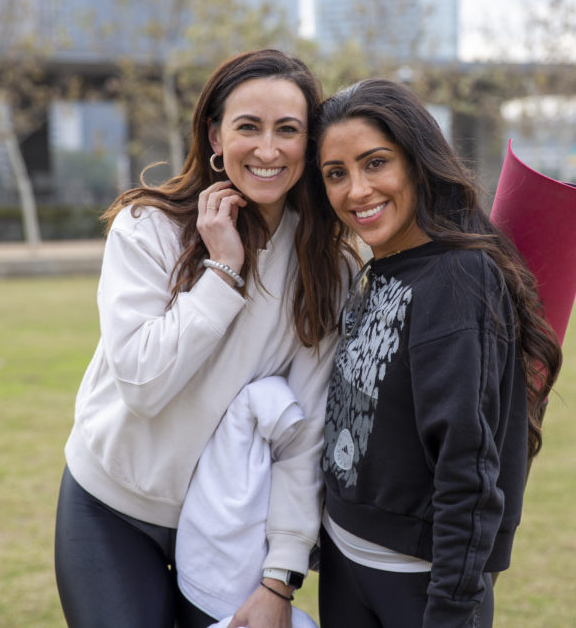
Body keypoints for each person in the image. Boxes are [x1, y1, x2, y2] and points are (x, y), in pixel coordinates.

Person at [54, 49, 354, 628]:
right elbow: (142, 383)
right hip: (112, 507)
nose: (268, 150)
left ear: (308, 145)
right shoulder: (147, 228)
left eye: (287, 130)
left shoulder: (327, 270)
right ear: (215, 136)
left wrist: (280, 579)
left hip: (229, 526)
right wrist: (222, 272)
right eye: (248, 127)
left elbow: (304, 434)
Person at [309, 79, 563, 628]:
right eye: (336, 173)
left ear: (418, 163)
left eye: (376, 163)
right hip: (344, 558)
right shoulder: (377, 270)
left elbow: (467, 465)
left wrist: (451, 607)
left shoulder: (455, 278)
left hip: (417, 580)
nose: (356, 190)